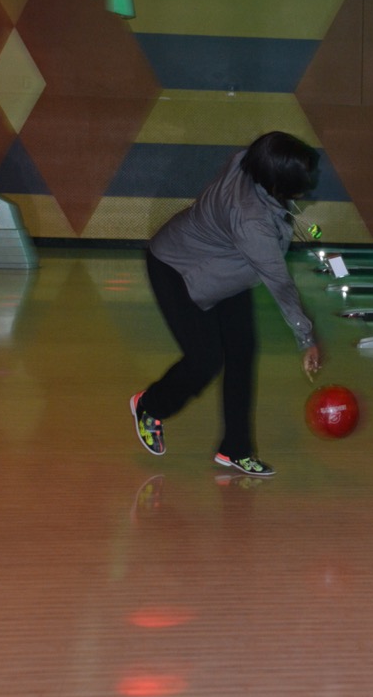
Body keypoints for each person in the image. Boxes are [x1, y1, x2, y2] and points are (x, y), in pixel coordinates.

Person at [130, 131, 324, 477]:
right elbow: (279, 283)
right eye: (300, 186)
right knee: (205, 360)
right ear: (277, 183)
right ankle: (150, 405)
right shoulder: (251, 222)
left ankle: (235, 449)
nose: (306, 192)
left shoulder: (247, 161)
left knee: (241, 352)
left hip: (225, 269)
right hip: (177, 269)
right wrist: (306, 337)